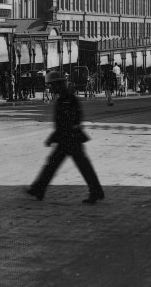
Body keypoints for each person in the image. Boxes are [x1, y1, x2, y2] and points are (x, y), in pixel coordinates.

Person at [27, 71, 105, 204]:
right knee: (56, 165)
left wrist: (54, 137)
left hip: (70, 138)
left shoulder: (67, 98)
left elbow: (70, 120)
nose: (51, 88)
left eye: (52, 85)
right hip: (67, 138)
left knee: (72, 166)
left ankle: (39, 188)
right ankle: (38, 188)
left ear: (58, 85)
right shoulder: (64, 97)